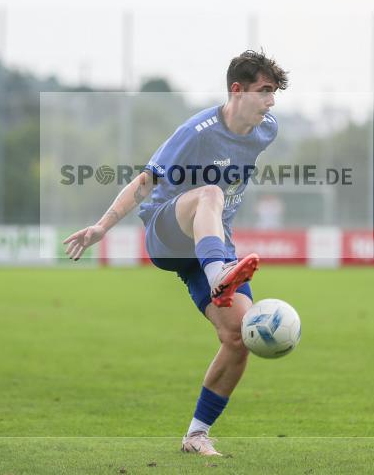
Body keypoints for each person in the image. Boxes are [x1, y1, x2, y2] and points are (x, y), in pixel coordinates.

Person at [63, 49, 288, 456]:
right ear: (237, 91)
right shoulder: (197, 132)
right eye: (265, 91)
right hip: (168, 231)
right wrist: (102, 226)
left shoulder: (266, 129)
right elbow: (146, 181)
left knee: (238, 337)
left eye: (274, 93)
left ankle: (196, 435)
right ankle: (220, 272)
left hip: (209, 242)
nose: (272, 101)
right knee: (209, 192)